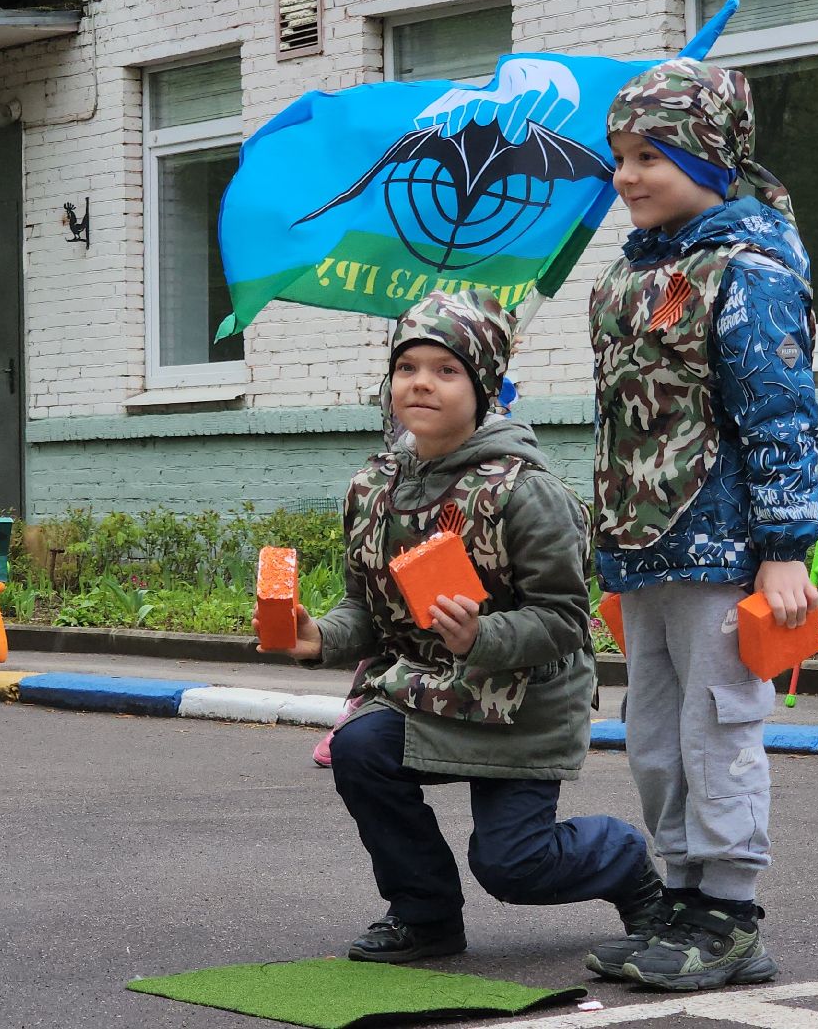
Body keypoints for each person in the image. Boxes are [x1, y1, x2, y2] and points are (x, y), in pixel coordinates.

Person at [263, 291, 663, 970]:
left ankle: (630, 867)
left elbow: (566, 623)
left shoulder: (526, 492)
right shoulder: (373, 489)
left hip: (521, 703)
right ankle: (425, 916)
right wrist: (319, 637)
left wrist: (481, 636)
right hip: (429, 692)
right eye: (408, 366)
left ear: (482, 390)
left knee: (512, 866)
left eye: (446, 370)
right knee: (359, 747)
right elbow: (369, 607)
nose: (421, 381)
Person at [587, 59, 818, 991]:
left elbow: (778, 412)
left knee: (716, 728)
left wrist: (783, 552)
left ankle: (729, 912)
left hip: (723, 548)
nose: (627, 175)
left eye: (651, 154)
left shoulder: (750, 268)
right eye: (619, 156)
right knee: (653, 733)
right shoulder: (630, 274)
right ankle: (680, 895)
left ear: (713, 154)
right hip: (645, 549)